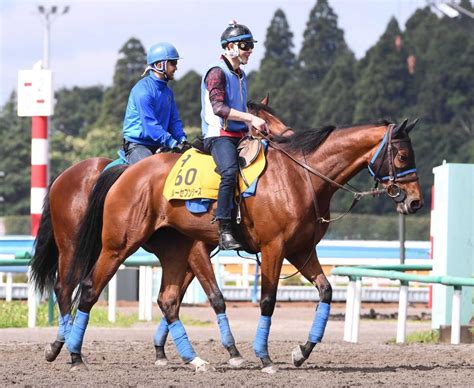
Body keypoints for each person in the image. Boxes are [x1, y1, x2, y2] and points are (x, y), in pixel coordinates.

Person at [201, 21, 268, 250]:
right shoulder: (216, 73)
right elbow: (219, 108)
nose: (250, 50)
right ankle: (224, 228)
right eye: (245, 45)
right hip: (218, 136)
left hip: (240, 136)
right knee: (229, 172)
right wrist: (251, 118)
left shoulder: (241, 74)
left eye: (251, 45)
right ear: (229, 47)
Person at [122, 42, 189, 164]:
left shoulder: (168, 92)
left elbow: (174, 121)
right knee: (151, 168)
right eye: (173, 63)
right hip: (138, 145)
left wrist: (182, 140)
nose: (176, 68)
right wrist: (172, 142)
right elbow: (150, 125)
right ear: (159, 65)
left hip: (160, 143)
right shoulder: (142, 91)